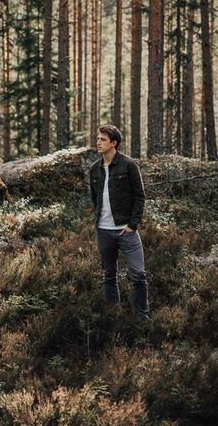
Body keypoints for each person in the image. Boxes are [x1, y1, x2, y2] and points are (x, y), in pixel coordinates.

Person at [89, 124, 149, 318]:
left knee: (138, 275)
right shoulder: (94, 169)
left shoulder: (129, 165)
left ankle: (142, 317)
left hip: (126, 230)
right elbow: (95, 198)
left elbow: (140, 196)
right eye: (98, 139)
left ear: (114, 143)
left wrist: (133, 224)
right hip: (103, 231)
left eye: (103, 140)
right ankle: (113, 317)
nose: (98, 143)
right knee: (108, 276)